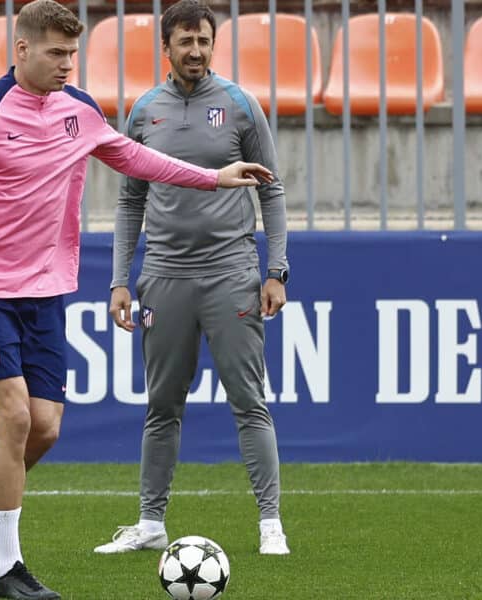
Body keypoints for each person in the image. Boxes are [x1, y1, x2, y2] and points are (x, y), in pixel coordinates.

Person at [0, 1, 273, 598]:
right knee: (14, 418)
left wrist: (215, 176)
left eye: (73, 53)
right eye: (54, 53)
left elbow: (131, 157)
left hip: (45, 291)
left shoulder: (80, 110)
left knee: (43, 429)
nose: (67, 65)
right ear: (20, 51)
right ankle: (7, 572)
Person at [93, 0, 291, 557]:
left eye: (204, 40)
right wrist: (119, 280)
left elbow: (270, 191)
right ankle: (151, 523)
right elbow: (130, 201)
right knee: (163, 406)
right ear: (167, 48)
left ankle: (270, 523)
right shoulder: (143, 111)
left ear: (213, 44)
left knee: (249, 401)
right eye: (186, 41)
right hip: (164, 277)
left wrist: (275, 270)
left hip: (232, 273)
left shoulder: (239, 105)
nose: (196, 50)